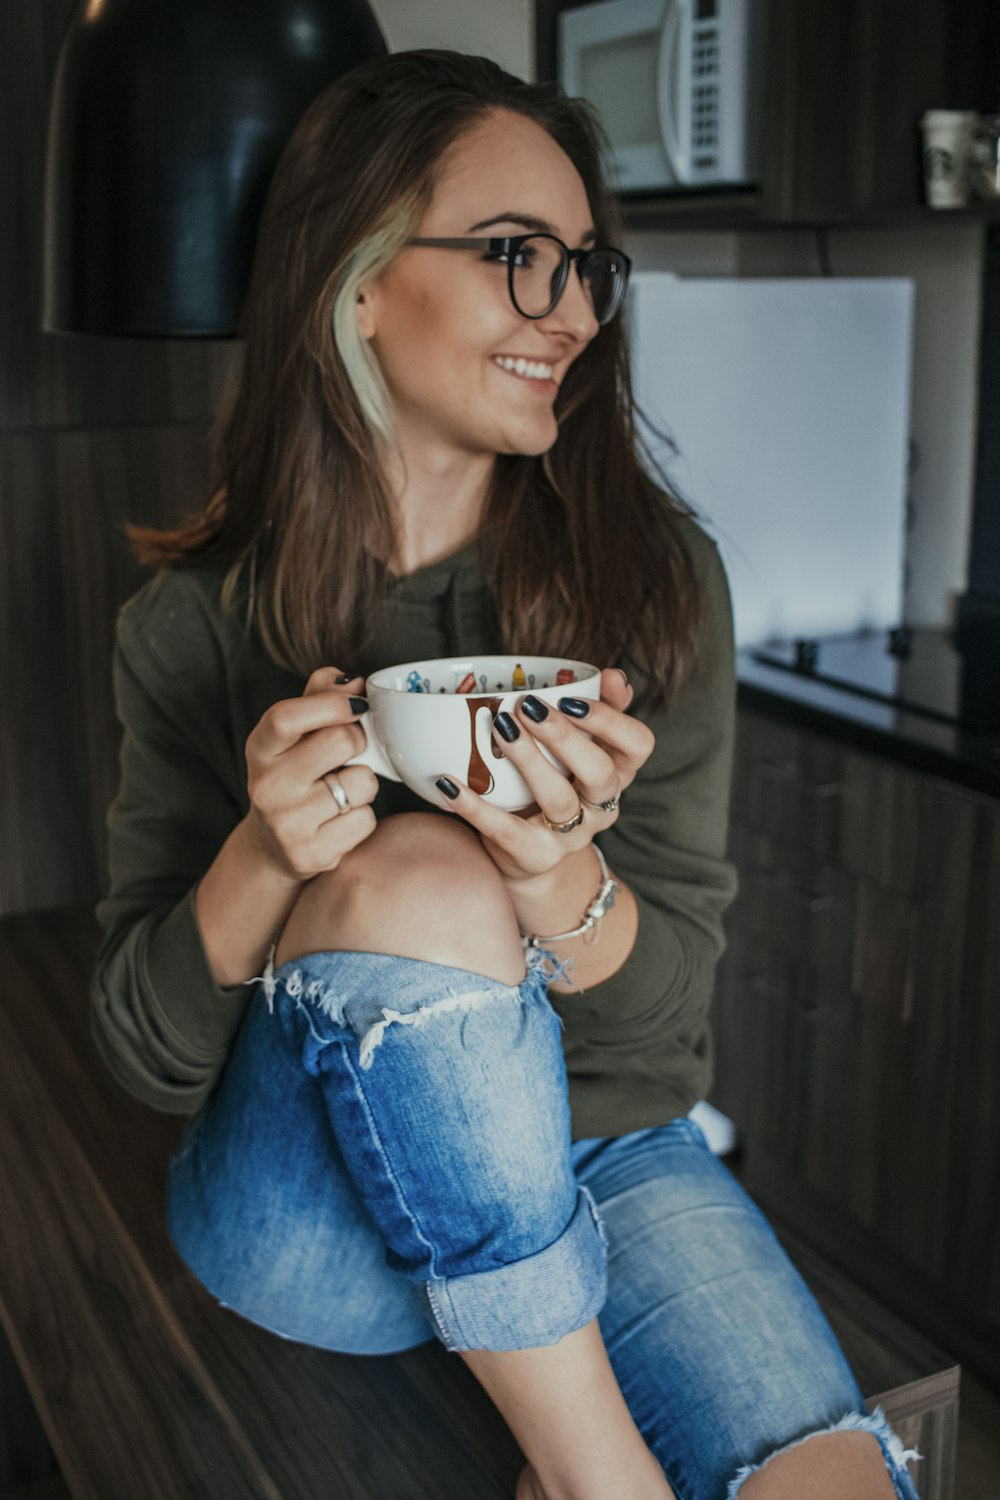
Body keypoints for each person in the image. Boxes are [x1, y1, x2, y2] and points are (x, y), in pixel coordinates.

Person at [90, 48, 922, 1500]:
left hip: (602, 1150)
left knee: (838, 1483)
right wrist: (266, 861)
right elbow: (142, 1051)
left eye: (585, 266)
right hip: (306, 1206)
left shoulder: (655, 586)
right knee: (417, 870)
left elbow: (661, 1032)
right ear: (353, 281)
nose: (572, 313)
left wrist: (559, 874)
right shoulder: (194, 627)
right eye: (513, 255)